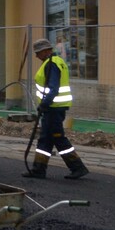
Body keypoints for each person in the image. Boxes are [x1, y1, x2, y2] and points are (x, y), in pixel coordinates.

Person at [26, 38, 89, 180]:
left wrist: (44, 104)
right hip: (54, 107)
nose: (36, 56)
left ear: (46, 51)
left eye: (38, 53)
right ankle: (38, 169)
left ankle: (77, 167)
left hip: (53, 108)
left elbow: (53, 89)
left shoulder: (51, 65)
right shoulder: (56, 62)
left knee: (58, 138)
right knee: (45, 140)